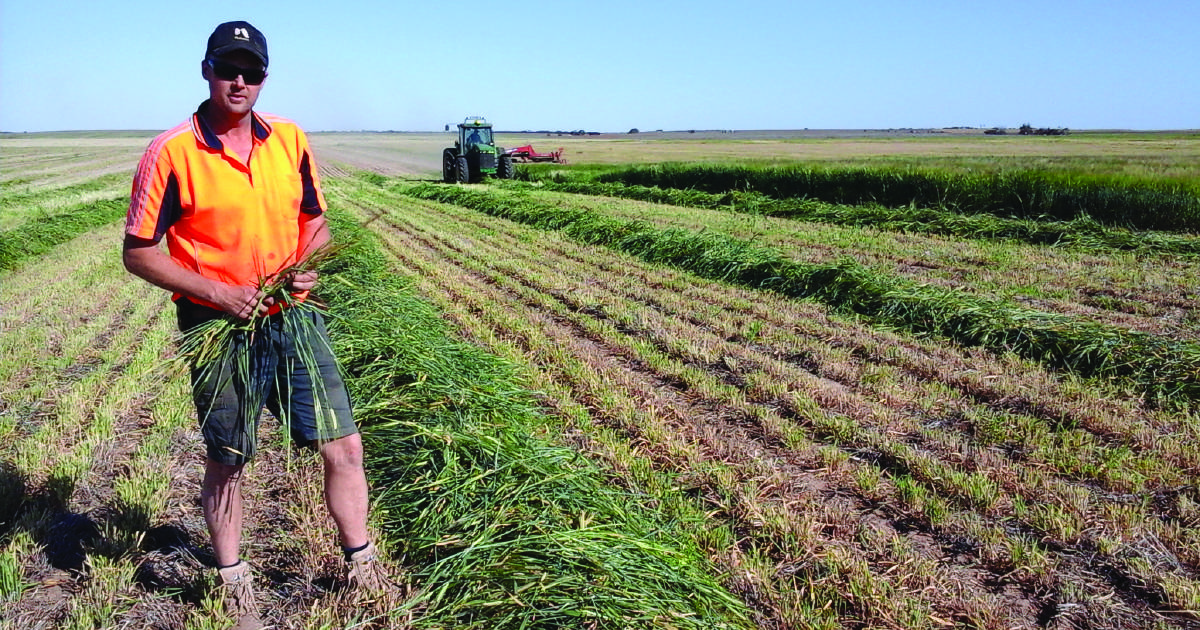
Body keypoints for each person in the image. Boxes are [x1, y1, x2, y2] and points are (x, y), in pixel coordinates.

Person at [123, 20, 384, 629]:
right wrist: (216, 290)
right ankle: (233, 579)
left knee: (343, 443)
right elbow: (138, 252)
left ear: (265, 77)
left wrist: (306, 266)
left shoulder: (289, 140)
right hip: (217, 327)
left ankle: (361, 562)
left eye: (252, 70)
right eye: (227, 67)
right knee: (228, 456)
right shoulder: (172, 151)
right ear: (206, 69)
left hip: (293, 316)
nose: (239, 80)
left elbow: (315, 221)